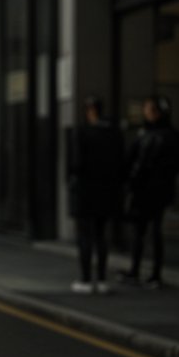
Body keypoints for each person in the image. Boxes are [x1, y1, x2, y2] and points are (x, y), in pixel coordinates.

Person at [118, 94, 179, 289]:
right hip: (158, 190)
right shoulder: (171, 136)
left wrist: (132, 181)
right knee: (150, 231)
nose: (146, 113)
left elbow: (132, 163)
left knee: (145, 232)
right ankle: (149, 273)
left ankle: (142, 271)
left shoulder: (151, 136)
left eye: (149, 110)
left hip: (148, 190)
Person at [66, 94, 124, 294]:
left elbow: (75, 164)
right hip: (107, 191)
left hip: (85, 191)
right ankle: (101, 279)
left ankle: (85, 279)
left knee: (85, 236)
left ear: (89, 111)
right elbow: (121, 162)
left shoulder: (81, 132)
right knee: (101, 236)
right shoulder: (113, 133)